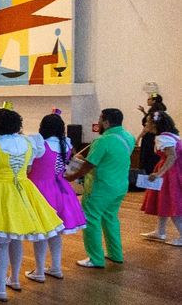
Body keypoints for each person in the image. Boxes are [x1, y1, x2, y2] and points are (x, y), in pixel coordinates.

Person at [0, 108, 63, 302]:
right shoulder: (28, 142)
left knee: (1, 243)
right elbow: (27, 169)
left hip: (0, 192)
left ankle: (0, 288)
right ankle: (14, 279)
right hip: (24, 190)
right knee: (16, 236)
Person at [66, 108, 135, 268]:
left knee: (91, 219)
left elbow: (89, 166)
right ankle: (115, 254)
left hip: (100, 187)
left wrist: (70, 177)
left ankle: (95, 258)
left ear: (106, 122)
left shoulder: (102, 141)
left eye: (100, 119)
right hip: (120, 186)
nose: (98, 122)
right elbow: (113, 159)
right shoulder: (128, 137)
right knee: (111, 218)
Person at [25, 113, 87, 283]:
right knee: (55, 232)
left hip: (40, 190)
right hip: (61, 189)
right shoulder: (65, 144)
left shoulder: (39, 143)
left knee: (42, 232)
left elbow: (29, 168)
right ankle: (55, 267)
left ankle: (39, 271)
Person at [139, 111, 182, 246]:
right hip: (173, 170)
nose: (146, 124)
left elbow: (172, 156)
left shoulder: (162, 138)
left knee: (171, 203)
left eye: (148, 121)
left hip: (169, 173)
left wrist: (159, 173)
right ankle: (160, 231)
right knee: (163, 201)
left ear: (154, 123)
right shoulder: (172, 135)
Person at [137, 93, 167, 174]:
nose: (147, 100)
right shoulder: (158, 112)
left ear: (154, 101)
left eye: (149, 99)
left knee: (147, 160)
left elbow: (149, 126)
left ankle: (147, 180)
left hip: (149, 138)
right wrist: (144, 112)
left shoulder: (154, 112)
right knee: (153, 159)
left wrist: (139, 137)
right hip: (154, 138)